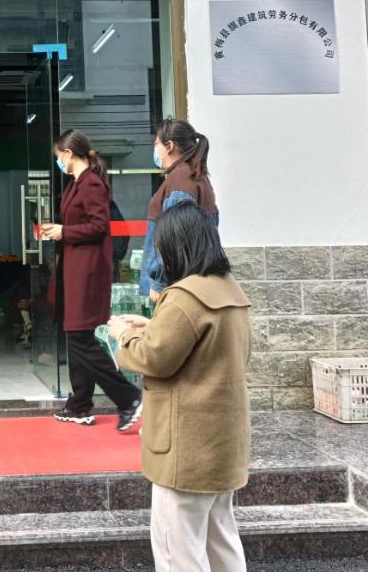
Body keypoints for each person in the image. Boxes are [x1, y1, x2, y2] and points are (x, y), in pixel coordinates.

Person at [108, 201, 251, 572]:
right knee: (221, 543)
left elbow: (154, 358)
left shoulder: (185, 296)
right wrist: (152, 326)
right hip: (221, 444)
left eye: (161, 246)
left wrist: (124, 335)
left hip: (186, 448)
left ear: (177, 245)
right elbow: (200, 349)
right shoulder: (229, 291)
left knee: (178, 553)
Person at [42, 129, 142, 431]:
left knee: (81, 340)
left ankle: (128, 397)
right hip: (75, 270)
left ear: (69, 154)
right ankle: (79, 404)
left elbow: (100, 226)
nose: (59, 162)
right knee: (77, 338)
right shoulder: (77, 183)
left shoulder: (92, 184)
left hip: (87, 273)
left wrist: (64, 232)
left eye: (59, 156)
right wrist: (59, 230)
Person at [140, 118, 218, 306]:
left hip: (173, 285)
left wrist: (159, 281)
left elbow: (173, 237)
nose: (155, 149)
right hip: (190, 281)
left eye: (156, 144)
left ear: (169, 146)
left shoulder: (180, 179)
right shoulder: (194, 175)